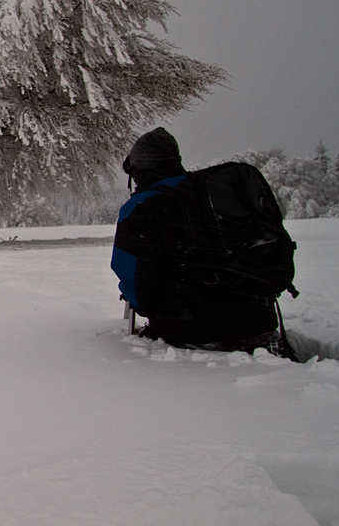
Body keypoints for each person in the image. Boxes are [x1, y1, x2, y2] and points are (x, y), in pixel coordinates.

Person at [110, 127, 292, 356]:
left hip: (191, 331)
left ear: (137, 169)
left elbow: (135, 282)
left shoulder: (141, 207)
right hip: (262, 322)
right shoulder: (211, 194)